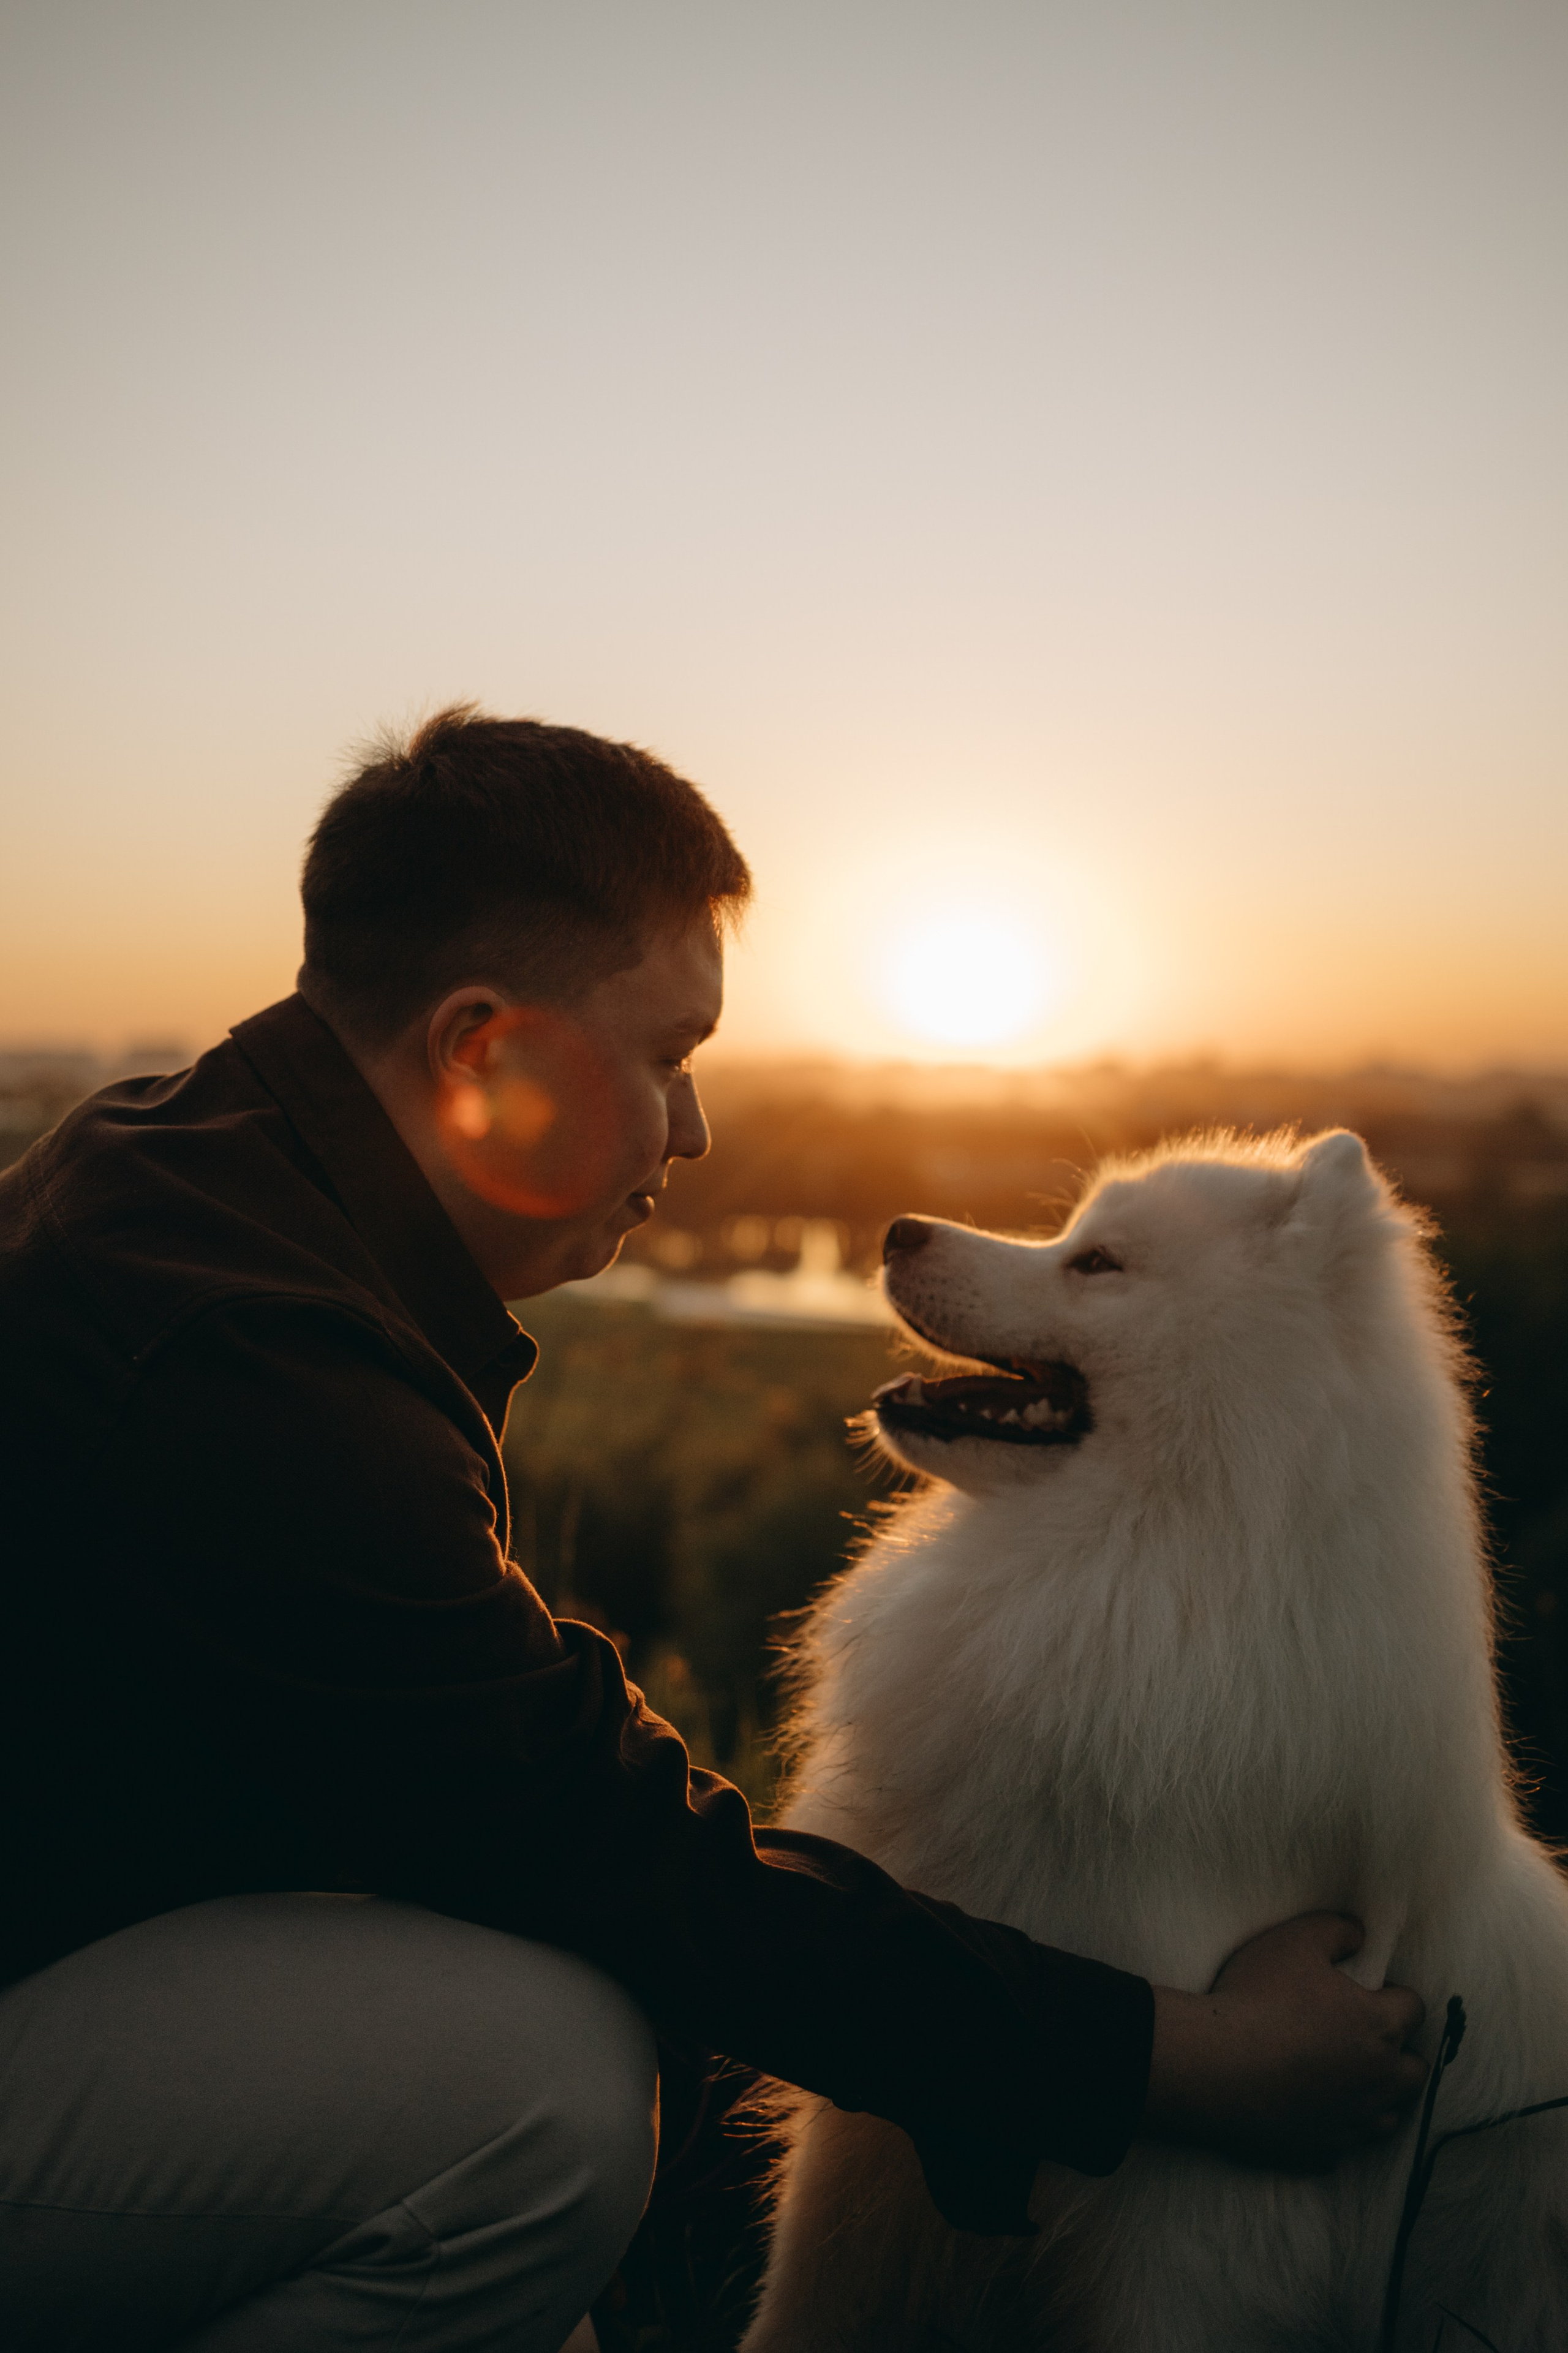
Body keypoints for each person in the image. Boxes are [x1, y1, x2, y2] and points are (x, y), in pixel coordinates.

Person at [0, 708, 1426, 2353]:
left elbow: (502, 1818)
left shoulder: (202, 1179)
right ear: (487, 1052)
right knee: (526, 2096)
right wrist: (1192, 2059)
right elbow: (619, 1859)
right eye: (669, 1055)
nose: (693, 1130)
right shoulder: (250, 1365)